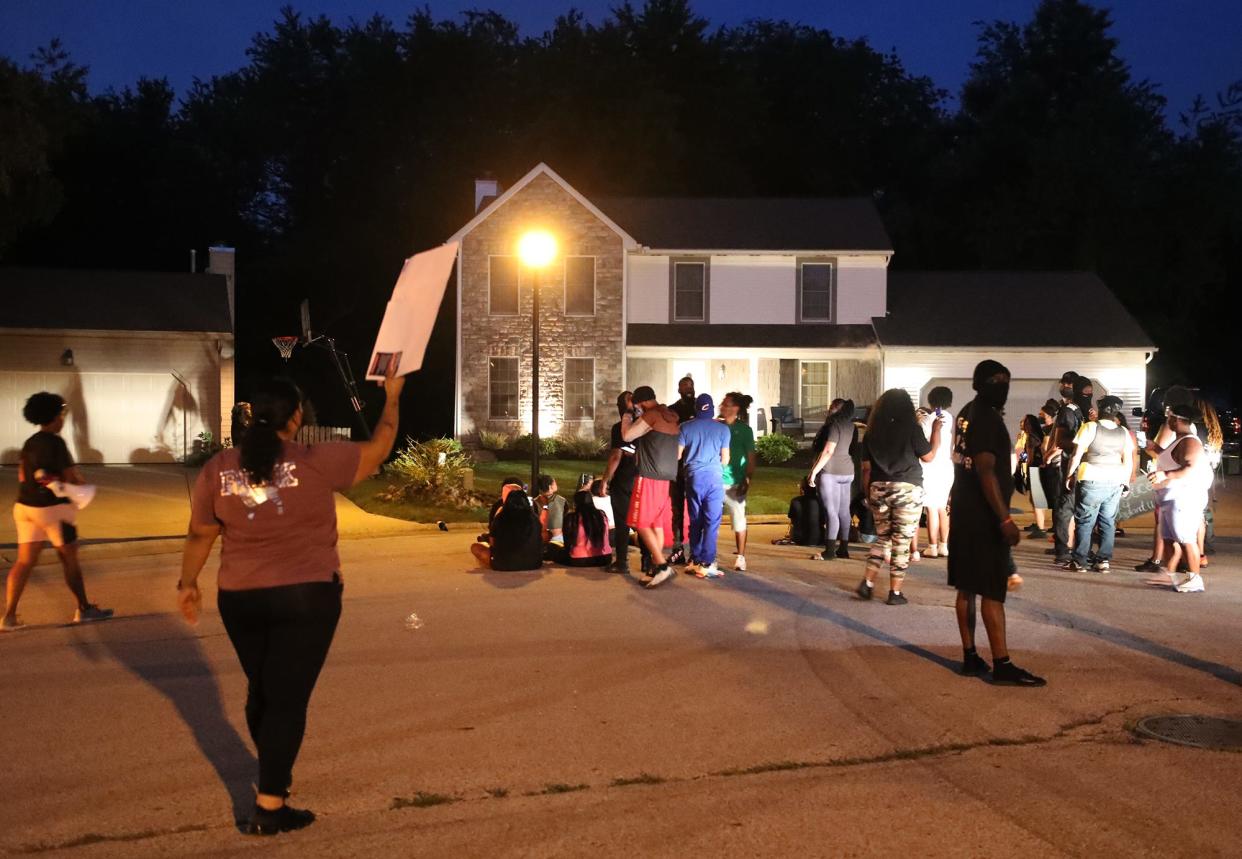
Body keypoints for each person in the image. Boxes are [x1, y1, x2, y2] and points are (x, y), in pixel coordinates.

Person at [177, 369, 404, 835]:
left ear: (254, 415)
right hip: (307, 598)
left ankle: (273, 772)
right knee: (284, 700)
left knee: (264, 691)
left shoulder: (218, 468)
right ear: (297, 416)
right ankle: (270, 804)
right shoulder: (319, 459)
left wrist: (187, 582)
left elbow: (201, 532)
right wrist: (393, 398)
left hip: (239, 600)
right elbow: (381, 446)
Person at [948, 360, 1046, 686]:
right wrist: (1004, 518)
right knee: (991, 590)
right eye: (996, 381)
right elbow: (985, 468)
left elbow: (962, 460)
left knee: (966, 587)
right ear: (981, 383)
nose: (1002, 387)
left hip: (963, 512)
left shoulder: (966, 412)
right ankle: (1002, 664)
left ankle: (970, 656)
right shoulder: (988, 418)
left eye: (1006, 380)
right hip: (983, 517)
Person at [3, 392, 113, 631]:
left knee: (24, 561)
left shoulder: (30, 442)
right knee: (69, 559)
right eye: (61, 414)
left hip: (24, 507)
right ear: (55, 416)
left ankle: (8, 616)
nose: (63, 418)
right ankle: (84, 609)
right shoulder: (56, 443)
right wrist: (81, 488)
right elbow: (70, 477)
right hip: (54, 511)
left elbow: (23, 475)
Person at [856, 388, 947, 605]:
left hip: (879, 489)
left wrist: (868, 493)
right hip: (907, 489)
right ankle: (895, 592)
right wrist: (936, 431)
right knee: (901, 543)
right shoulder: (911, 429)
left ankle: (867, 584)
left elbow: (866, 469)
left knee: (883, 538)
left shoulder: (872, 432)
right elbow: (929, 456)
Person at [622, 385, 682, 588]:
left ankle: (662, 566)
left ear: (641, 403)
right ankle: (658, 566)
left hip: (648, 475)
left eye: (638, 405)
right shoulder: (671, 416)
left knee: (640, 522)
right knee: (655, 522)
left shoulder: (652, 416)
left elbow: (627, 436)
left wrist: (628, 414)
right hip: (666, 476)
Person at [1064, 396, 1132, 573]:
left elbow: (1076, 455)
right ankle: (1103, 561)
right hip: (1115, 481)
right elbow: (1128, 460)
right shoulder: (1123, 431)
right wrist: (1125, 482)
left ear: (1100, 409)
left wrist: (1069, 475)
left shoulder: (1090, 427)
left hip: (1092, 478)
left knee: (1085, 521)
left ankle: (1080, 560)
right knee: (1108, 522)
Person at [1149, 403, 1212, 593]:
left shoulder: (1191, 441)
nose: (1167, 421)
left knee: (1186, 539)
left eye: (1170, 418)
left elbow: (1190, 467)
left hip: (1183, 498)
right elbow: (1173, 459)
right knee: (1168, 538)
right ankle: (1172, 576)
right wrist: (1157, 449)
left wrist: (1164, 475)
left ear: (1176, 420)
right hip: (1170, 497)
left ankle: (1195, 579)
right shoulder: (1180, 439)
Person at [1135, 385, 1195, 573]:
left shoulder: (1174, 428)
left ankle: (1159, 560)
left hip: (1171, 485)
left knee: (1168, 527)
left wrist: (1145, 445)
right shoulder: (1190, 427)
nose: (1165, 412)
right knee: (1180, 529)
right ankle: (1179, 566)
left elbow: (1160, 454)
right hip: (1181, 485)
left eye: (1167, 408)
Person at [678, 393, 731, 578]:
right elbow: (725, 460)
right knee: (712, 521)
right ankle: (706, 563)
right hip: (714, 478)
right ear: (712, 408)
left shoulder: (685, 427)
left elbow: (677, 454)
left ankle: (694, 558)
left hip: (693, 477)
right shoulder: (723, 430)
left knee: (695, 519)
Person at [807, 398, 857, 561]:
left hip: (831, 471)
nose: (831, 409)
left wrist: (814, 471)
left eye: (834, 407)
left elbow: (828, 451)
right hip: (848, 471)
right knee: (844, 511)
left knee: (831, 511)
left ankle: (829, 551)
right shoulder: (852, 426)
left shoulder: (834, 426)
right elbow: (852, 449)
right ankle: (843, 548)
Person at [1050, 372, 1092, 564]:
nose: (1087, 397)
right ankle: (1062, 549)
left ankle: (1082, 549)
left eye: (1090, 393)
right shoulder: (1068, 411)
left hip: (1088, 467)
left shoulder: (1089, 411)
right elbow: (1060, 439)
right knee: (1065, 508)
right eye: (1084, 393)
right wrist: (1081, 443)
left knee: (1085, 509)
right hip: (1069, 466)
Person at [602, 392, 643, 574]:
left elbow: (616, 456)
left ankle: (621, 562)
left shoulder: (620, 428)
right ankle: (648, 561)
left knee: (622, 521)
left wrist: (605, 480)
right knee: (643, 521)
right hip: (643, 478)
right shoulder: (645, 426)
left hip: (624, 479)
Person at [471, 478, 543, 571]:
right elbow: (539, 537)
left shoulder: (501, 516)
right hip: (533, 563)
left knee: (476, 547)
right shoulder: (534, 517)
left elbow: (493, 541)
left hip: (504, 564)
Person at [719, 392, 756, 571]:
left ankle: (741, 557)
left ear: (736, 408)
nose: (722, 407)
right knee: (709, 520)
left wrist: (747, 480)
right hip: (715, 480)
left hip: (735, 481)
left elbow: (751, 458)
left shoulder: (744, 431)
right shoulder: (716, 426)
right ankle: (706, 556)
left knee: (739, 520)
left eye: (726, 404)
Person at [919, 387, 955, 558]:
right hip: (947, 467)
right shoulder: (950, 417)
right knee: (943, 507)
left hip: (930, 467)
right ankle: (944, 545)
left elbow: (924, 442)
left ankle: (932, 546)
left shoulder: (928, 420)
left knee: (931, 508)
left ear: (931, 400)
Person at [667, 376, 696, 563]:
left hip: (694, 466)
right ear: (678, 389)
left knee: (695, 509)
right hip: (677, 466)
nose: (688, 389)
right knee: (676, 509)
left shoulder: (698, 409)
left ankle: (695, 550)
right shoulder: (673, 410)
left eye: (691, 385)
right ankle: (677, 549)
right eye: (684, 386)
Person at [554, 490, 613, 566]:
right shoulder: (601, 515)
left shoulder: (572, 518)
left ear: (576, 503)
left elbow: (567, 543)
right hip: (605, 558)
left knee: (553, 548)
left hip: (580, 560)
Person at [782, 481, 824, 546]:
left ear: (803, 489)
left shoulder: (795, 500)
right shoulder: (821, 501)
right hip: (818, 539)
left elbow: (792, 520)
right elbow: (823, 521)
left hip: (798, 539)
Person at [534, 474, 567, 555]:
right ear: (550, 486)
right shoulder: (561, 501)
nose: (556, 484)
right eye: (555, 483)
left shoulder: (534, 502)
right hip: (557, 539)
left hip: (539, 538)